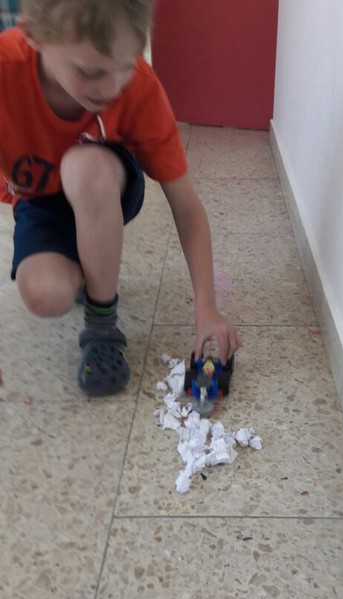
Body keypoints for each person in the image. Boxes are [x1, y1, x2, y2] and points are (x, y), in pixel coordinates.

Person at [0, 0, 241, 396]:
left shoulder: (140, 88)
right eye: (90, 72)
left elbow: (186, 206)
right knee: (45, 296)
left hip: (104, 180)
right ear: (35, 37)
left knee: (83, 168)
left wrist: (206, 307)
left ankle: (102, 329)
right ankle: (90, 263)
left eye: (126, 64)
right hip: (42, 200)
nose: (111, 89)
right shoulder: (6, 71)